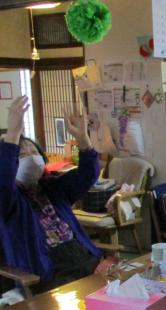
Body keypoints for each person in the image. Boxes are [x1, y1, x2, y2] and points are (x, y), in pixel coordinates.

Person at [0, 97, 102, 294]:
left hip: (85, 257)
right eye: (22, 155)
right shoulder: (8, 202)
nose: (31, 158)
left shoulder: (53, 187)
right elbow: (4, 182)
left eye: (34, 152)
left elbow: (88, 174)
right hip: (51, 272)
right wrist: (12, 134)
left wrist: (83, 138)